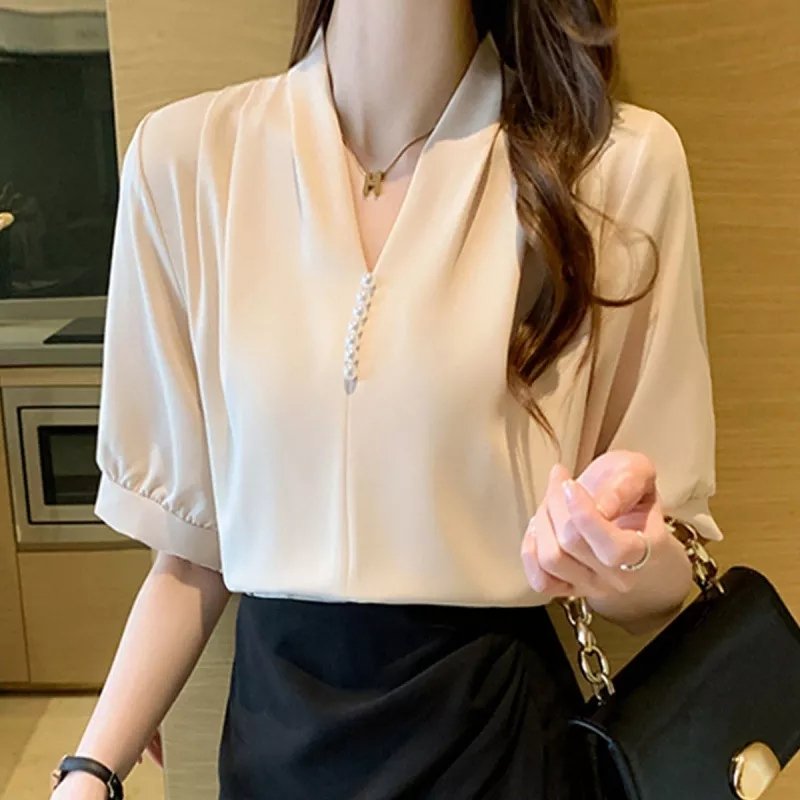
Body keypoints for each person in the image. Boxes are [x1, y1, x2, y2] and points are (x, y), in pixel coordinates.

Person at [51, 0, 722, 798]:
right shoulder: (186, 163)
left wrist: (621, 555)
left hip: (497, 749)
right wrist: (90, 770)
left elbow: (664, 572)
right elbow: (193, 551)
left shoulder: (615, 167)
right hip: (276, 752)